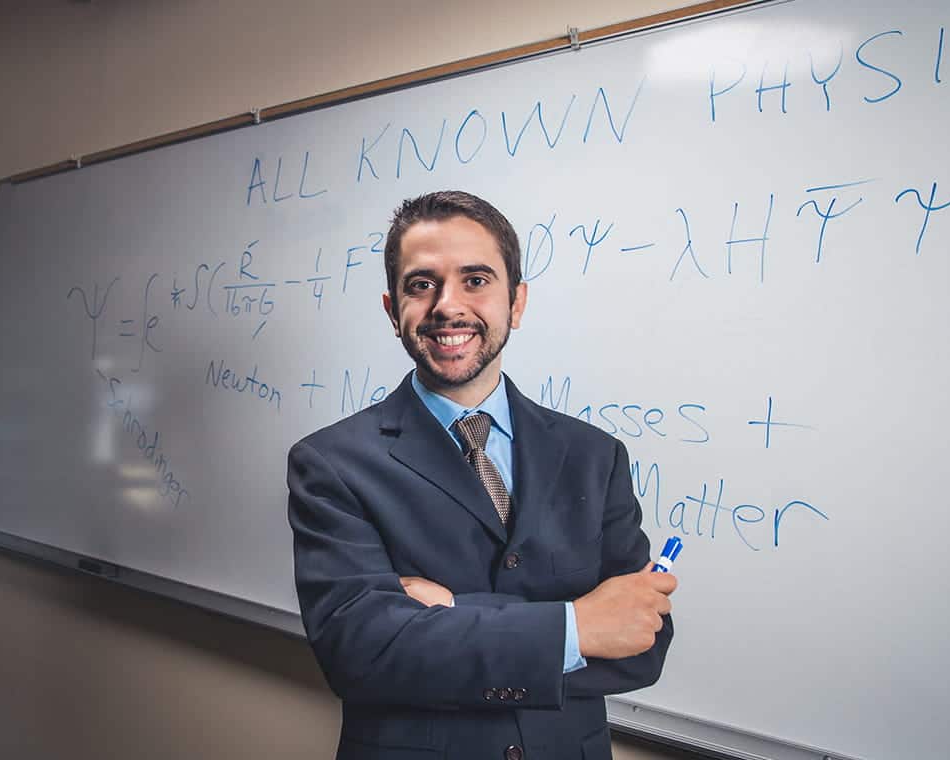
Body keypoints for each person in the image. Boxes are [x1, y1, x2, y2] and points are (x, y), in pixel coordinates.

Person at [288, 190, 676, 760]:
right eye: (422, 284)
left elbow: (643, 641)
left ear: (516, 303)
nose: (449, 305)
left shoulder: (595, 455)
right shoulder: (330, 463)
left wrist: (453, 616)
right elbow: (361, 653)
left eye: (476, 280)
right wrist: (577, 626)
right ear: (394, 309)